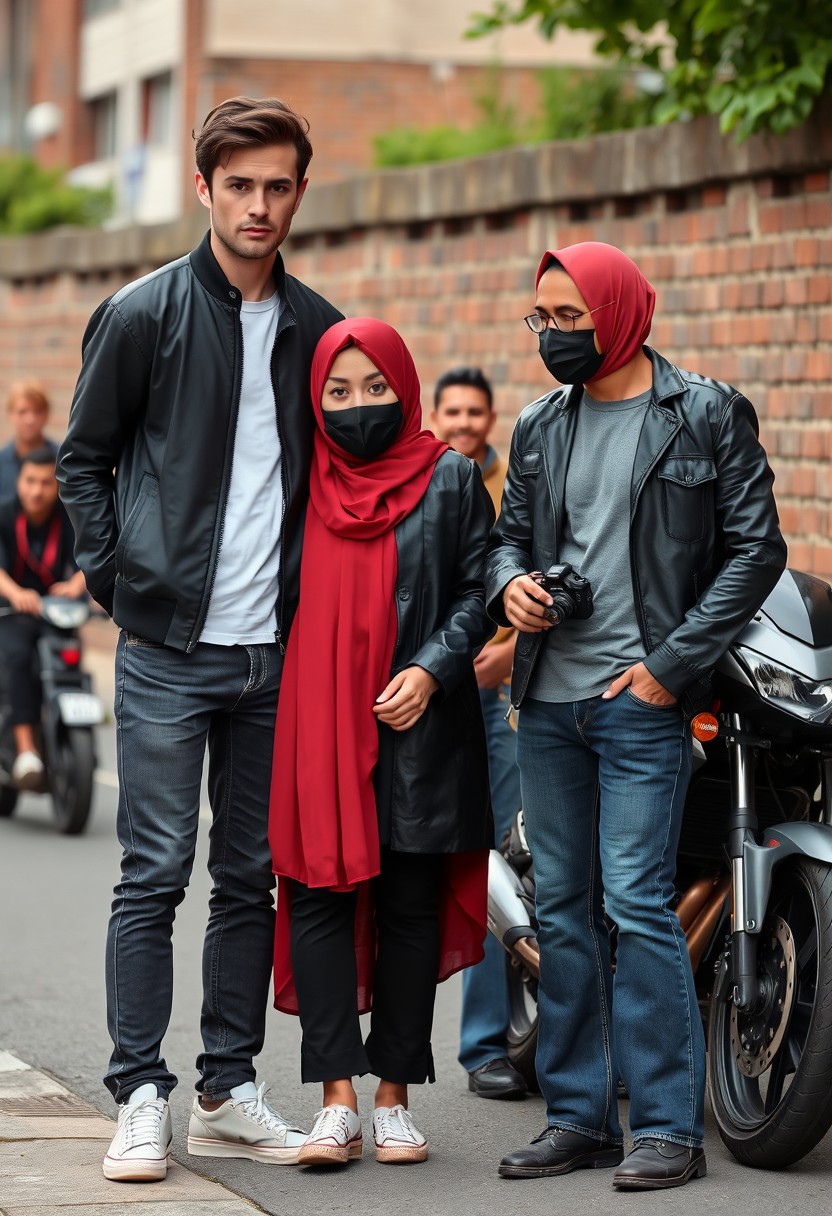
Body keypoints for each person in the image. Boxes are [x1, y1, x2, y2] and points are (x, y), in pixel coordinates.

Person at [57, 96, 342, 1183]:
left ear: (298, 193)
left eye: (278, 186)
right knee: (153, 870)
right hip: (170, 646)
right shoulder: (143, 313)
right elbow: (85, 457)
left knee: (248, 876)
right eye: (241, 186)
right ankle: (140, 1090)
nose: (259, 205)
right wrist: (118, 578)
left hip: (276, 651)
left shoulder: (321, 330)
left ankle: (227, 1087)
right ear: (204, 189)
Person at [489, 242, 787, 1190]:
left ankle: (667, 1126)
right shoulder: (540, 425)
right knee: (565, 914)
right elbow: (505, 540)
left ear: (618, 312)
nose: (551, 336)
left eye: (568, 318)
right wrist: (515, 592)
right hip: (549, 700)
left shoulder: (703, 411)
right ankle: (579, 1115)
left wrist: (669, 667)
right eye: (541, 319)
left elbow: (756, 550)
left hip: (640, 703)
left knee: (637, 904)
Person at [268, 318, 494, 1167]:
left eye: (374, 388)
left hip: (419, 723)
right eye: (338, 391)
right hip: (317, 720)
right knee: (319, 895)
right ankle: (336, 1102)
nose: (357, 406)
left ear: (405, 388)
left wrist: (434, 669)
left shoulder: (450, 478)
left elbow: (479, 589)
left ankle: (394, 1098)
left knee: (406, 902)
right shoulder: (300, 480)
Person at [430, 366, 525, 1100]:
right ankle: (483, 1045)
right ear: (436, 414)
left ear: (492, 419)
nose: (463, 422)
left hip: (508, 700)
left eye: (475, 412)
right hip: (434, 690)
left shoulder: (515, 485)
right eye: (451, 411)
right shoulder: (426, 483)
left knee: (515, 864)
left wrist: (511, 656)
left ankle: (522, 1040)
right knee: (466, 862)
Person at [0, 447, 86, 788]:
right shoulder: (5, 514)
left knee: (67, 657)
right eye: (30, 481)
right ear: (19, 480)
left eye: (45, 483)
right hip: (12, 612)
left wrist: (76, 584)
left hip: (54, 612)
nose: (37, 491)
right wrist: (15, 593)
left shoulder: (68, 517)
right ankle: (25, 752)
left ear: (57, 485)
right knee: (19, 657)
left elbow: (89, 558)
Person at [0, 381, 59, 501]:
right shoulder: (2, 462)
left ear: (47, 414)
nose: (30, 419)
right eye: (22, 412)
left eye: (37, 411)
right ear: (10, 414)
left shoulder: (61, 459)